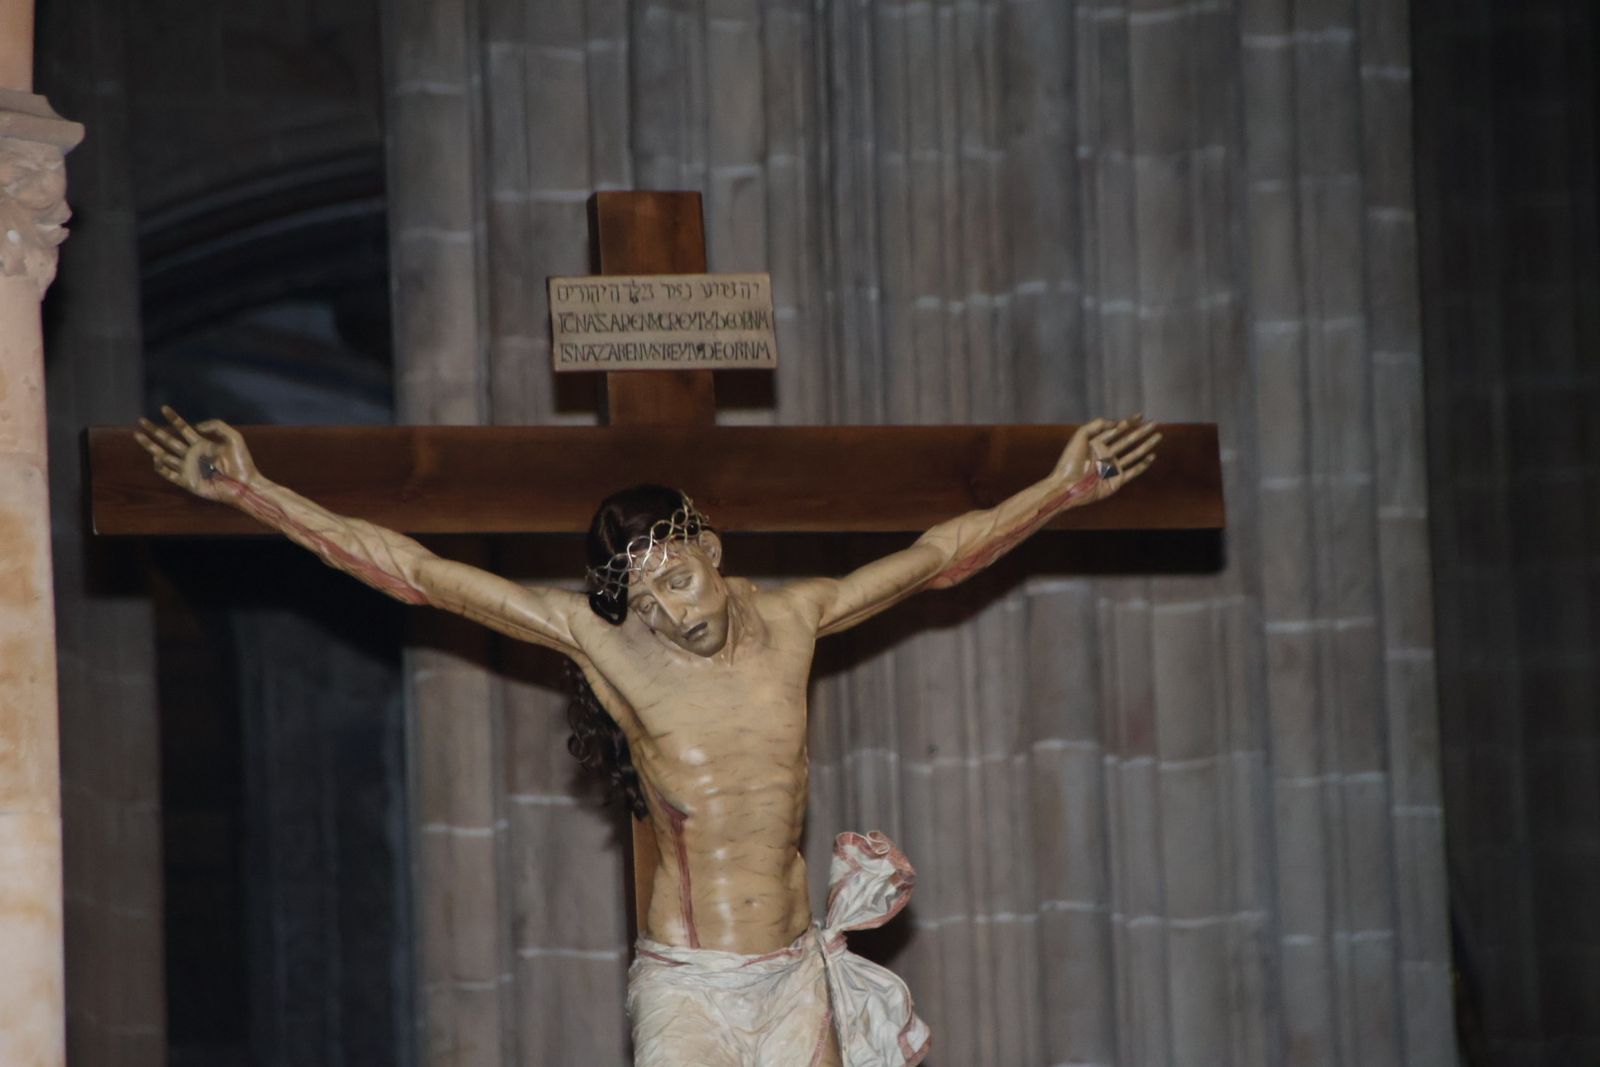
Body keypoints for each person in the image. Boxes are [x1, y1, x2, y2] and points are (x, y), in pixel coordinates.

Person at [136, 408, 1159, 1067]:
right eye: (647, 599)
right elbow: (413, 570)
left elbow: (940, 554)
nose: (669, 612)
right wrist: (251, 491)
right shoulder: (608, 643)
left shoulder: (797, 615)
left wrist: (1061, 489)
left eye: (677, 579)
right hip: (693, 988)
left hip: (794, 968)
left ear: (709, 550)